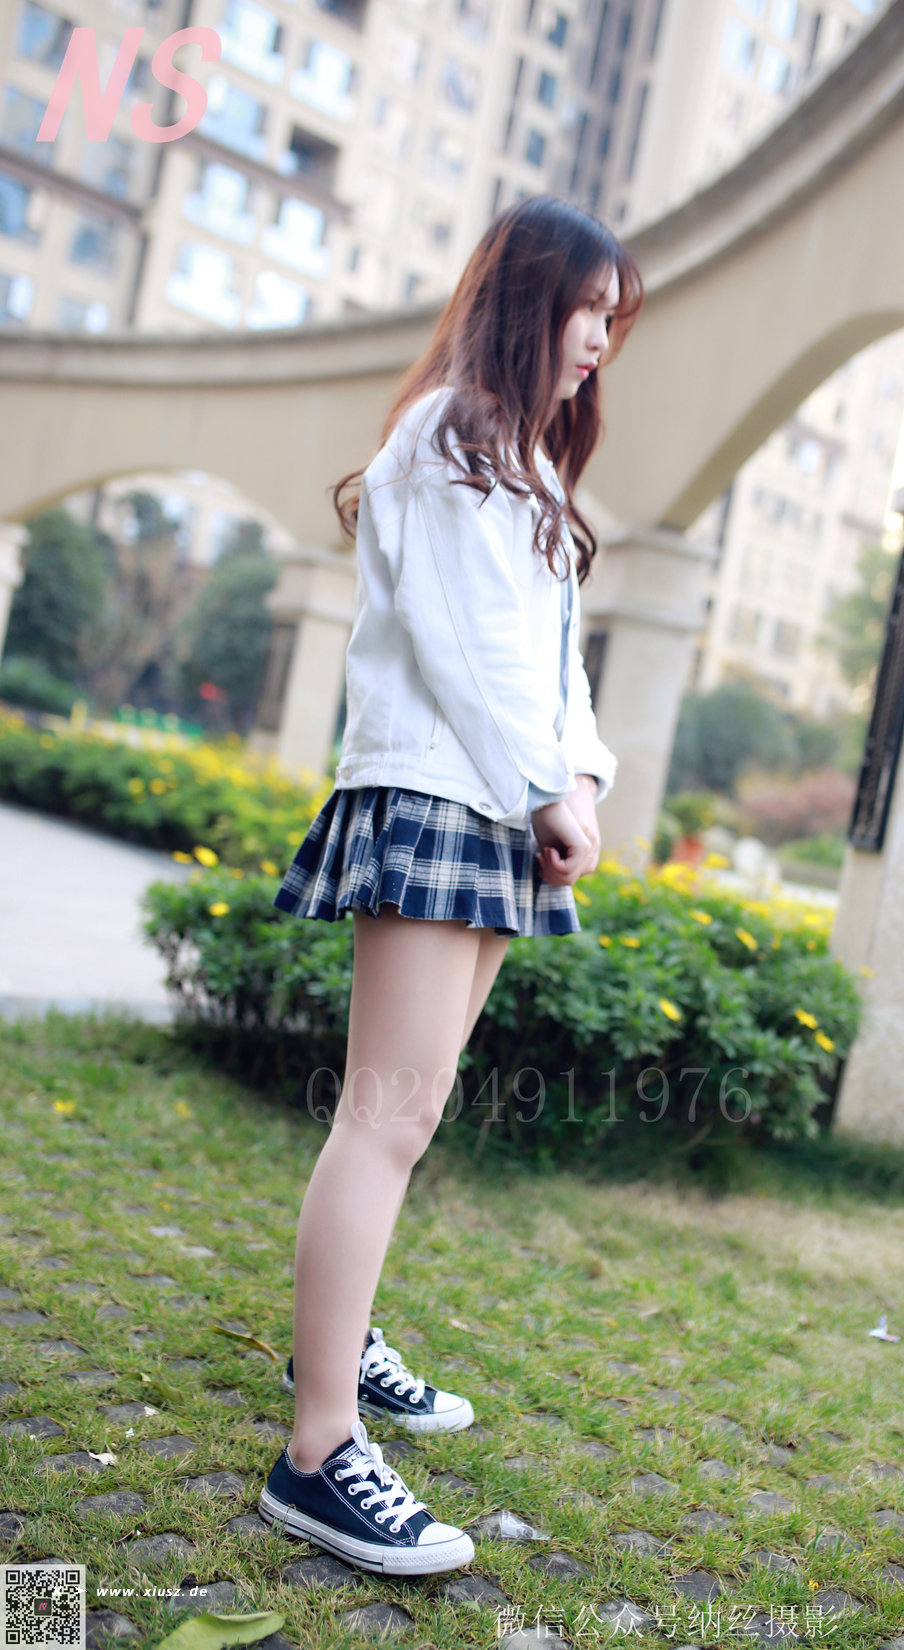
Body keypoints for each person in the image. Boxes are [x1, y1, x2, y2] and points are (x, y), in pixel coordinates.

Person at [256, 194, 644, 1577]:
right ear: (527, 299)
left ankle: (340, 1341)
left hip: (498, 806)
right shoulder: (444, 440)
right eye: (587, 308)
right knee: (384, 1118)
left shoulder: (526, 465)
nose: (600, 338)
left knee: (403, 1120)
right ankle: (317, 1451)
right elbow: (461, 648)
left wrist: (579, 778)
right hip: (436, 792)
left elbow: (553, 666)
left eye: (614, 317)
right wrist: (546, 786)